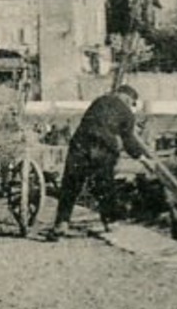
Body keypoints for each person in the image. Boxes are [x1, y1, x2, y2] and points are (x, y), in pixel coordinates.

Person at [48, 84, 151, 240]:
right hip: (103, 147)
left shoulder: (99, 101)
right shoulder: (127, 113)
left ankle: (61, 223)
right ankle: (109, 221)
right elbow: (129, 140)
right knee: (104, 184)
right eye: (131, 103)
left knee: (70, 184)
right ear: (127, 98)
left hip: (79, 144)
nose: (131, 105)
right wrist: (142, 158)